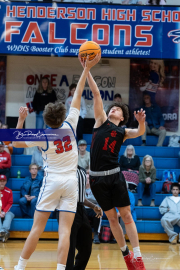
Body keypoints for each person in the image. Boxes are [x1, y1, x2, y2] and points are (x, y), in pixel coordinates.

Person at [12, 54, 100, 270]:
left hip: (52, 182)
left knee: (37, 229)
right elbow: (78, 92)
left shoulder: (42, 135)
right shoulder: (70, 125)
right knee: (64, 232)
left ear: (46, 119)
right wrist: (86, 69)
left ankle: (20, 267)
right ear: (62, 115)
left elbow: (15, 143)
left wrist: (21, 119)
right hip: (71, 183)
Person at [79, 57, 146, 269]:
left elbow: (139, 132)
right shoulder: (100, 121)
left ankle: (138, 256)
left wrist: (142, 123)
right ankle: (125, 254)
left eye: (116, 109)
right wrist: (88, 69)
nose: (112, 110)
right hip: (97, 180)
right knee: (112, 219)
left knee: (126, 215)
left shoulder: (123, 131)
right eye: (112, 108)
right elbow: (97, 94)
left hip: (115, 177)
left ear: (122, 116)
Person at [56, 165, 103, 270]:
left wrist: (93, 206)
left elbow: (81, 196)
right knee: (69, 248)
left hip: (81, 209)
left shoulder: (82, 170)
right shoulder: (62, 169)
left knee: (86, 248)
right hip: (66, 209)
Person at [85, 172, 101, 244]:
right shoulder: (80, 187)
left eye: (88, 178)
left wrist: (88, 200)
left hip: (93, 208)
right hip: (84, 208)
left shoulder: (95, 187)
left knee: (98, 212)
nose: (87, 180)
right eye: (86, 178)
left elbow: (97, 200)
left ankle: (96, 235)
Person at [0, 174, 14, 243]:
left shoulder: (9, 191)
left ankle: (3, 231)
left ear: (6, 182)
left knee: (9, 215)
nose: (2, 182)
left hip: (6, 211)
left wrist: (4, 212)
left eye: (3, 181)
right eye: (0, 181)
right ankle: (2, 233)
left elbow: (10, 203)